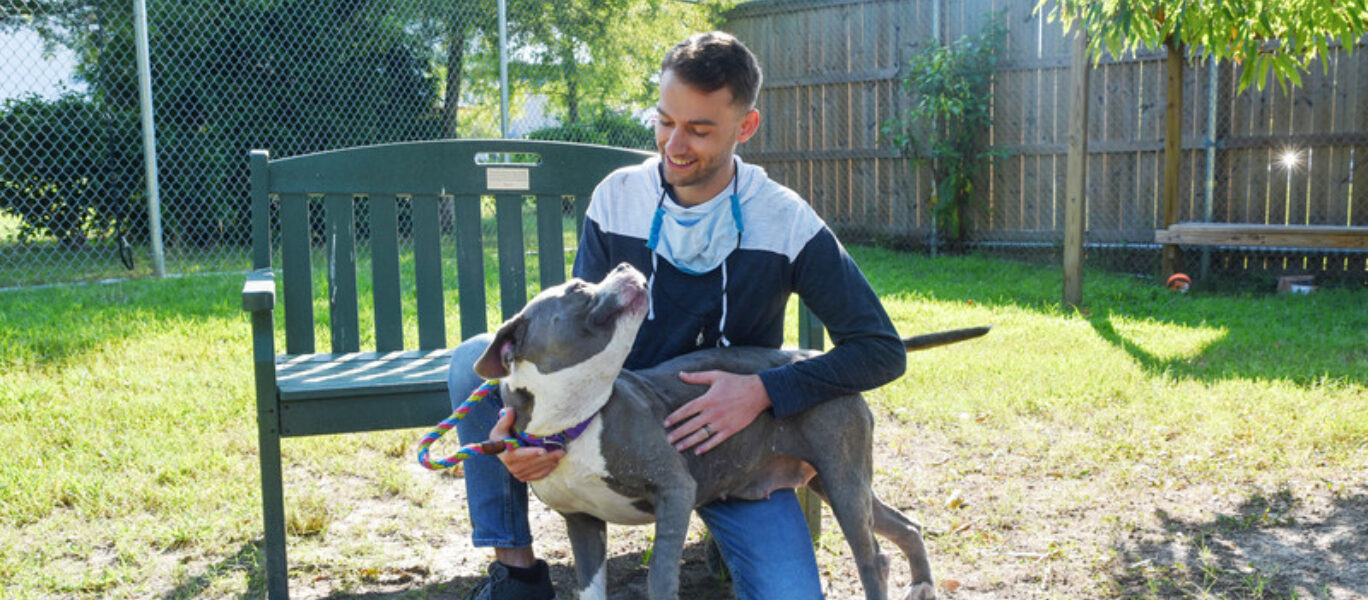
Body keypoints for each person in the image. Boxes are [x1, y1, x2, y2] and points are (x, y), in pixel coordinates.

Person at [446, 30, 906, 600]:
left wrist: (762, 391)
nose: (675, 144)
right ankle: (517, 575)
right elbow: (580, 340)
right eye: (665, 121)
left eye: (700, 129)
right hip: (621, 428)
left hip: (731, 447)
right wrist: (527, 437)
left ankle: (724, 534)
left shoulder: (785, 221)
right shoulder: (618, 197)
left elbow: (880, 350)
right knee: (473, 361)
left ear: (746, 127)